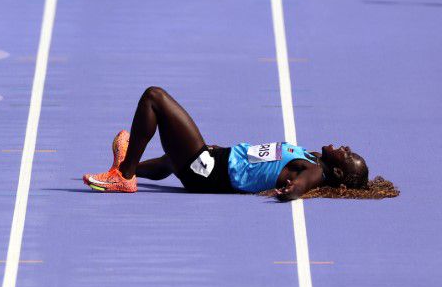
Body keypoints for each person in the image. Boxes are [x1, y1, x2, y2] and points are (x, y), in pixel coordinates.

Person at [83, 86, 379, 200]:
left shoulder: (315, 171)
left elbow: (301, 186)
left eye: (347, 155)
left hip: (208, 172)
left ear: (337, 172)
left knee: (154, 97)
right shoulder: (313, 158)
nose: (345, 148)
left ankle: (124, 176)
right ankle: (126, 166)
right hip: (213, 161)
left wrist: (291, 191)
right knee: (172, 161)